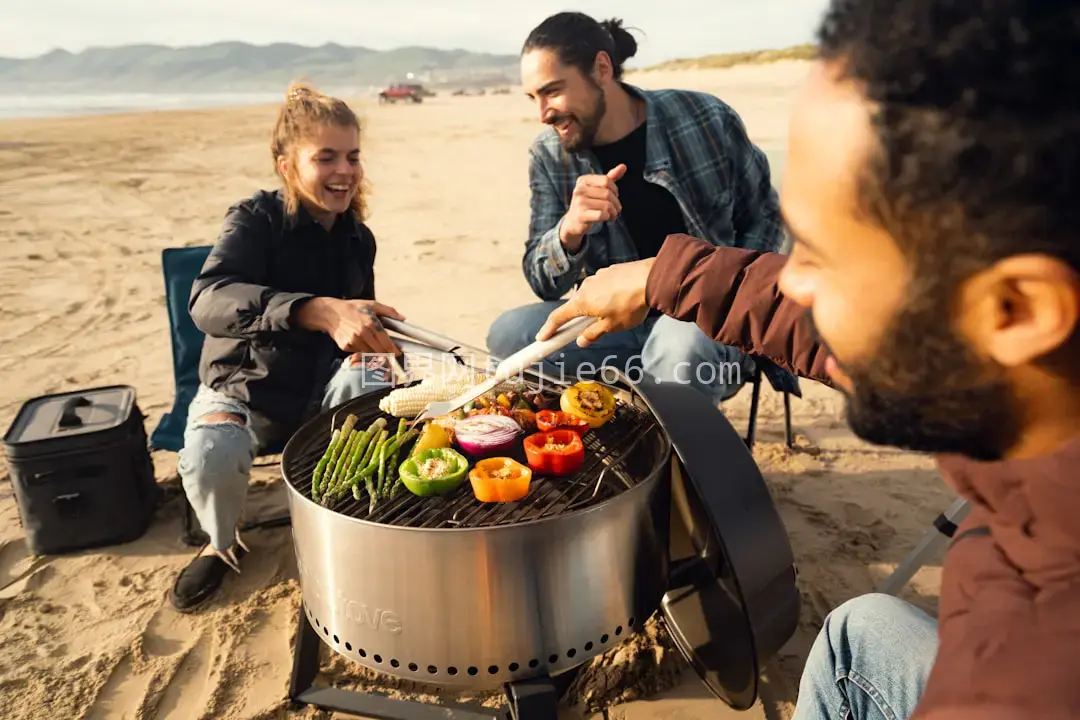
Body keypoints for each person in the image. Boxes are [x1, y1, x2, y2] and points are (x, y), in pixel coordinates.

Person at [537, 1, 1080, 718]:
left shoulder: (1025, 668)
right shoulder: (1018, 389)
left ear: (1018, 310)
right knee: (859, 629)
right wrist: (648, 270)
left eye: (821, 257)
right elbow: (834, 320)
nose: (793, 278)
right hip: (648, 304)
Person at [170, 81, 407, 613]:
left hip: (318, 393)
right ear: (286, 166)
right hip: (242, 392)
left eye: (352, 156)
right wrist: (314, 308)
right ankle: (220, 541)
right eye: (326, 157)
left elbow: (353, 322)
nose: (344, 171)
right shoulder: (255, 221)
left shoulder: (356, 237)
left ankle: (343, 516)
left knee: (376, 380)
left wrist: (374, 337)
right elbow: (208, 298)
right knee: (214, 452)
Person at [485, 11, 797, 405]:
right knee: (508, 334)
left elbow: (765, 216)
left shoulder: (704, 118)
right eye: (534, 98)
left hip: (706, 318)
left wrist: (734, 298)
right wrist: (569, 232)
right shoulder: (549, 155)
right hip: (613, 321)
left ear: (601, 68)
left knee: (679, 349)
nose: (543, 113)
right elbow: (542, 280)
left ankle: (675, 461)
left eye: (552, 91)